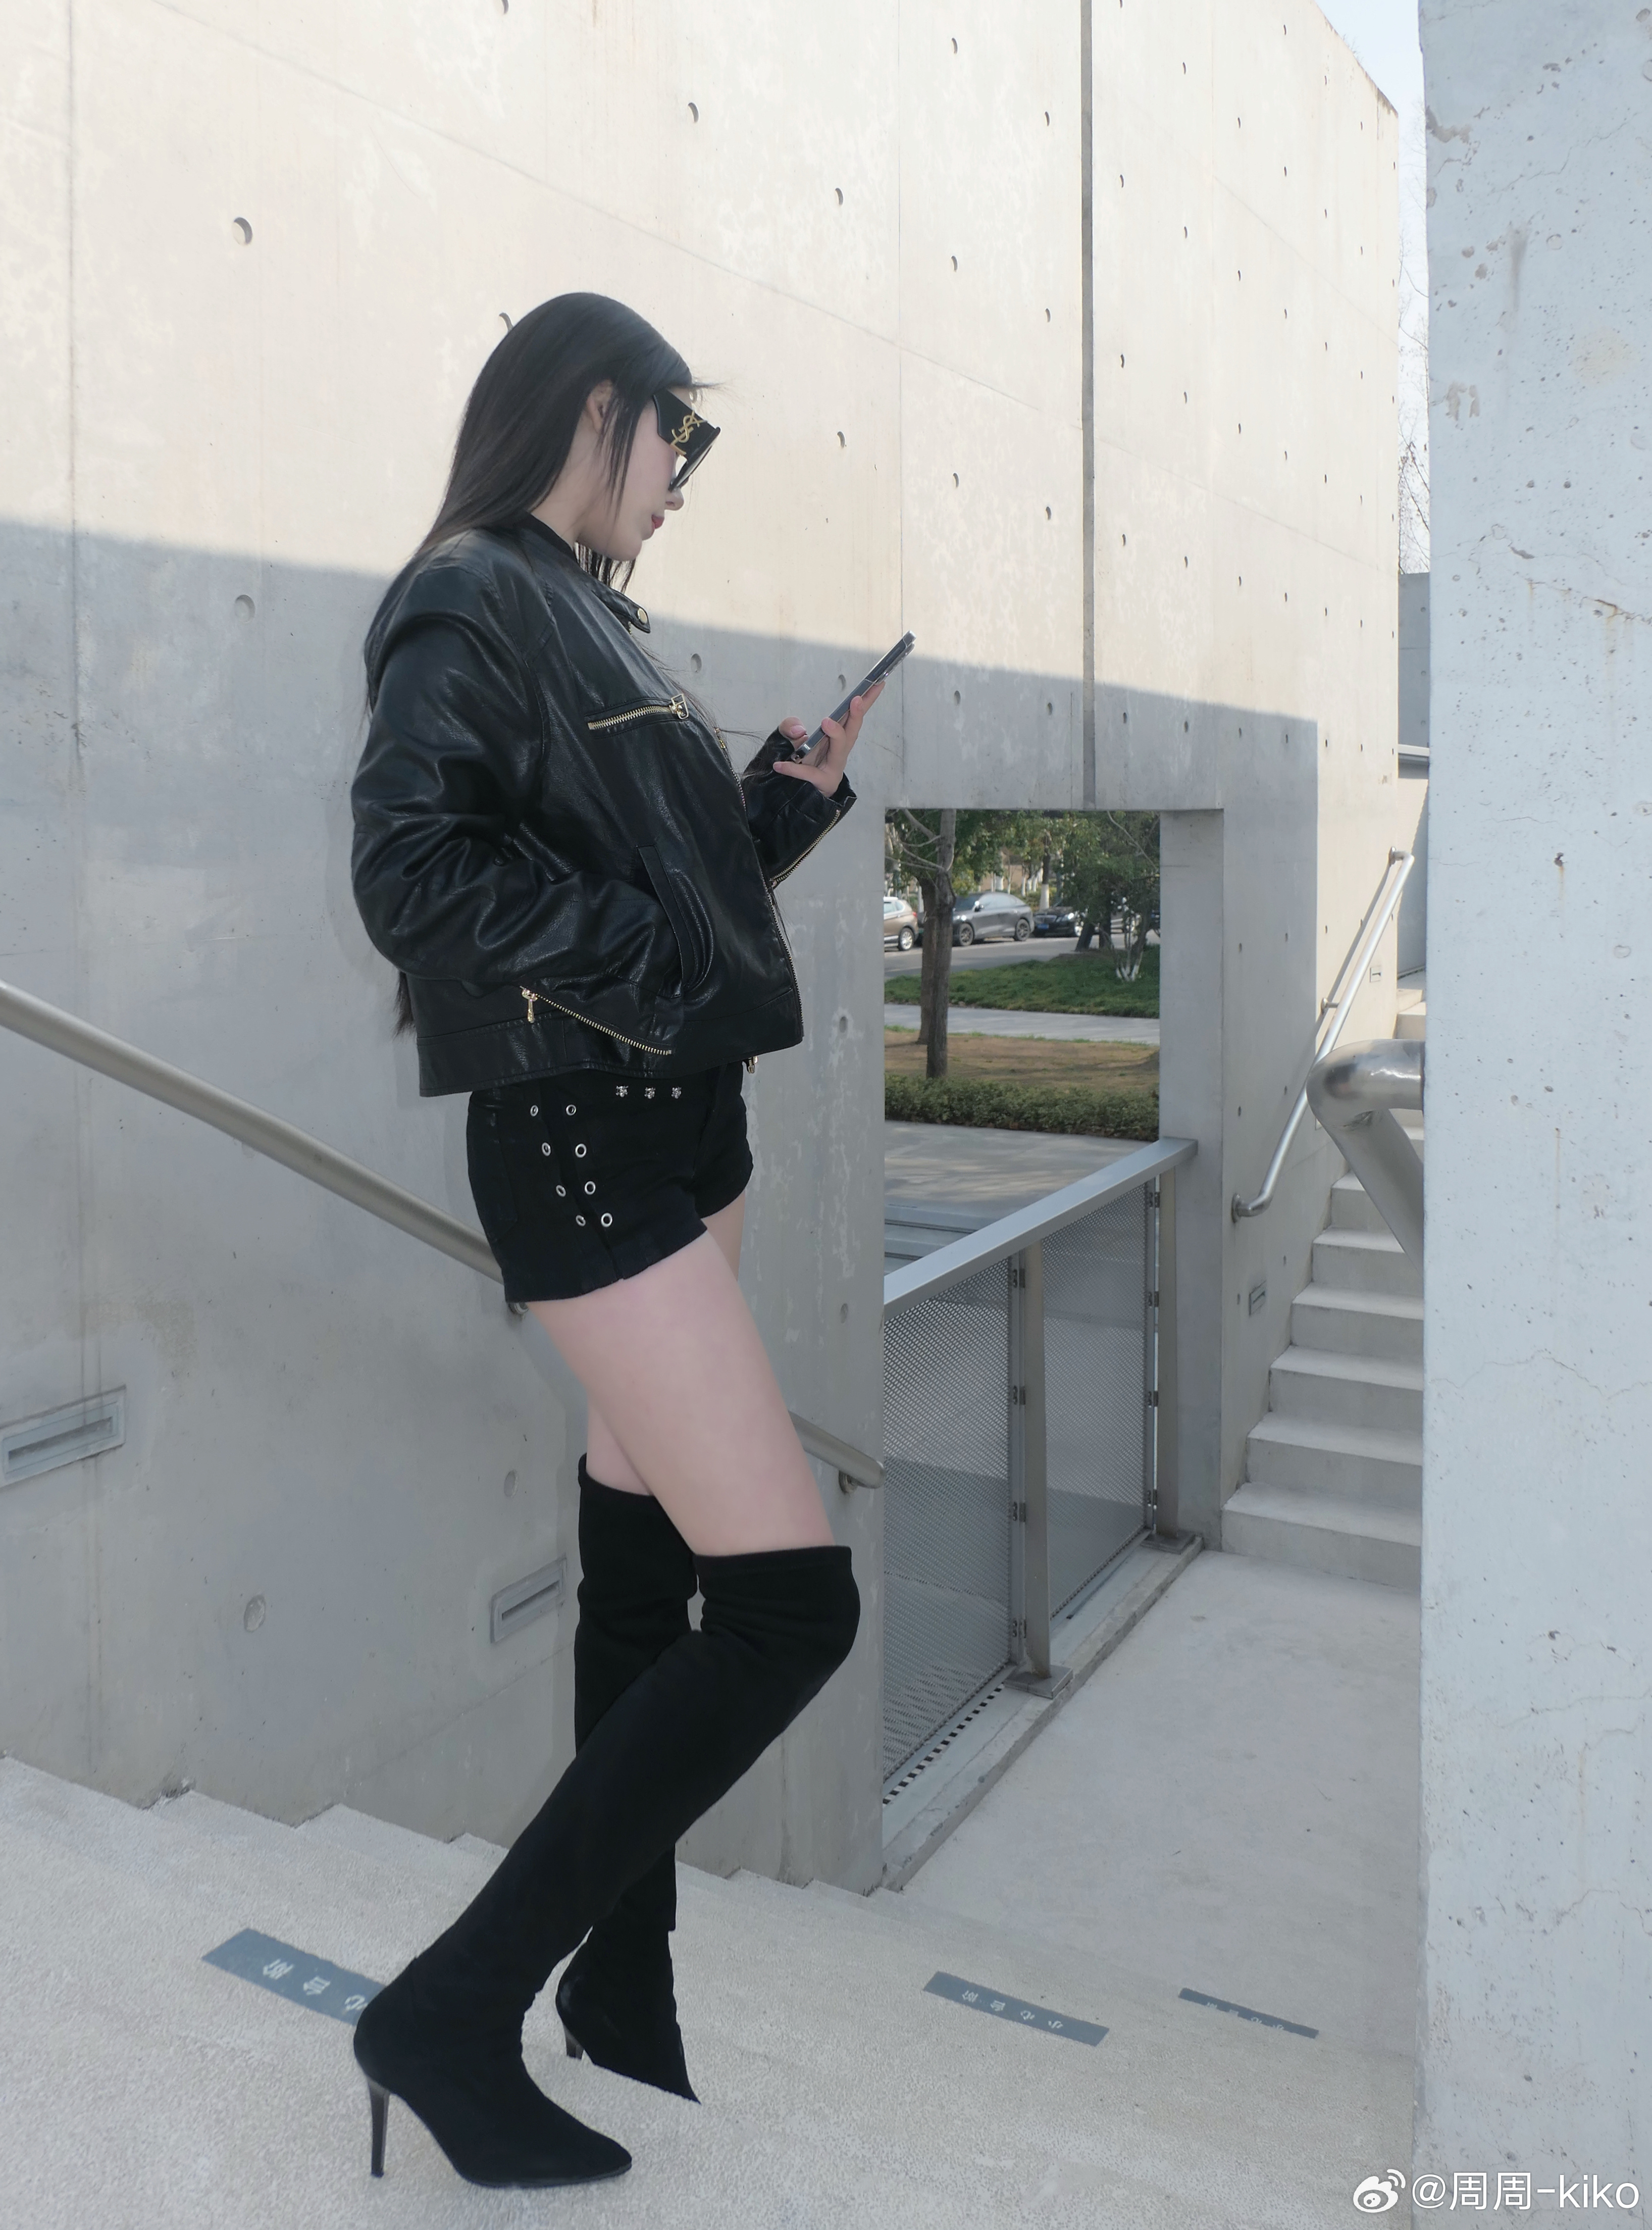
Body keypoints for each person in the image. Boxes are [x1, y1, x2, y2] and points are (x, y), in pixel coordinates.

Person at [347, 293, 878, 2190]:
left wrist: (770, 819)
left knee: (646, 1582)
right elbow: (414, 871)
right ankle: (447, 2013)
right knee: (793, 1610)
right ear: (597, 409)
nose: (682, 475)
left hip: (678, 1130)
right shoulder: (473, 595)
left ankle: (622, 1984)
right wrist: (659, 943)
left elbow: (628, 883)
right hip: (590, 1149)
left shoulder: (592, 615)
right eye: (679, 436)